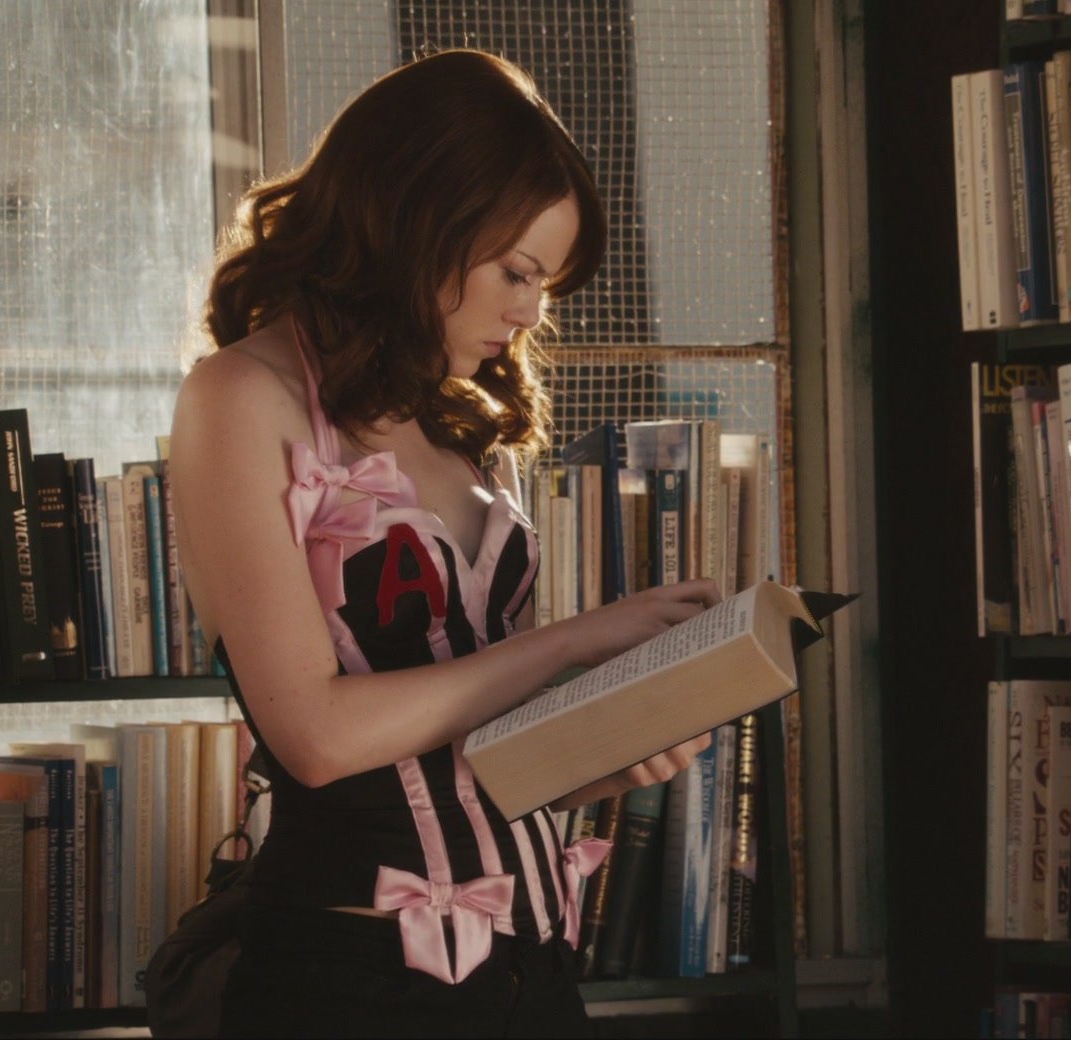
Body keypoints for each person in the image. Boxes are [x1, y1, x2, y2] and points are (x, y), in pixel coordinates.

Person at [170, 49, 718, 1037]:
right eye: (517, 272)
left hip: (532, 979)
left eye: (545, 282)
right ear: (418, 223)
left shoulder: (458, 424)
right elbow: (317, 737)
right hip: (351, 987)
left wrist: (614, 750)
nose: (531, 311)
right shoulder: (240, 397)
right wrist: (573, 640)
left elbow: (476, 757)